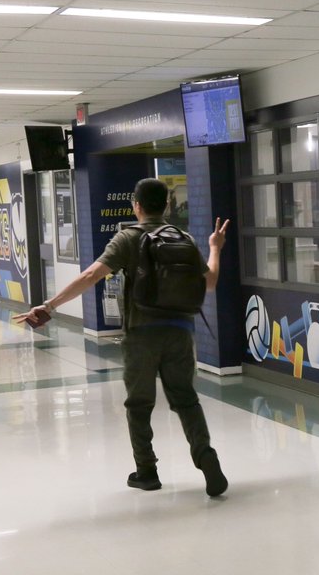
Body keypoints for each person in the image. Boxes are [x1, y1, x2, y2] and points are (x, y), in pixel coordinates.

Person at [15, 178, 231, 497]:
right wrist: (215, 248)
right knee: (186, 399)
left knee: (139, 404)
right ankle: (205, 457)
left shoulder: (128, 238)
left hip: (142, 334)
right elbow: (209, 283)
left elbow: (91, 275)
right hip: (181, 333)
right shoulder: (182, 237)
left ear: (137, 206)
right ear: (168, 205)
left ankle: (147, 471)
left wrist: (49, 306)